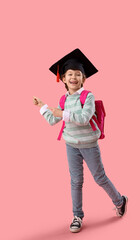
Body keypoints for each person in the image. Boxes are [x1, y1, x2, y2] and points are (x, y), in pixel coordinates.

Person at [33, 49, 128, 233]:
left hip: (89, 145)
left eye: (78, 74)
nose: (73, 77)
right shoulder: (63, 99)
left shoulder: (88, 97)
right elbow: (54, 120)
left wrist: (62, 113)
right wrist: (43, 107)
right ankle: (77, 215)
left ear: (83, 78)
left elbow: (84, 118)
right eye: (69, 74)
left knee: (99, 177)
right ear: (63, 79)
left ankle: (119, 200)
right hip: (71, 146)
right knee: (75, 181)